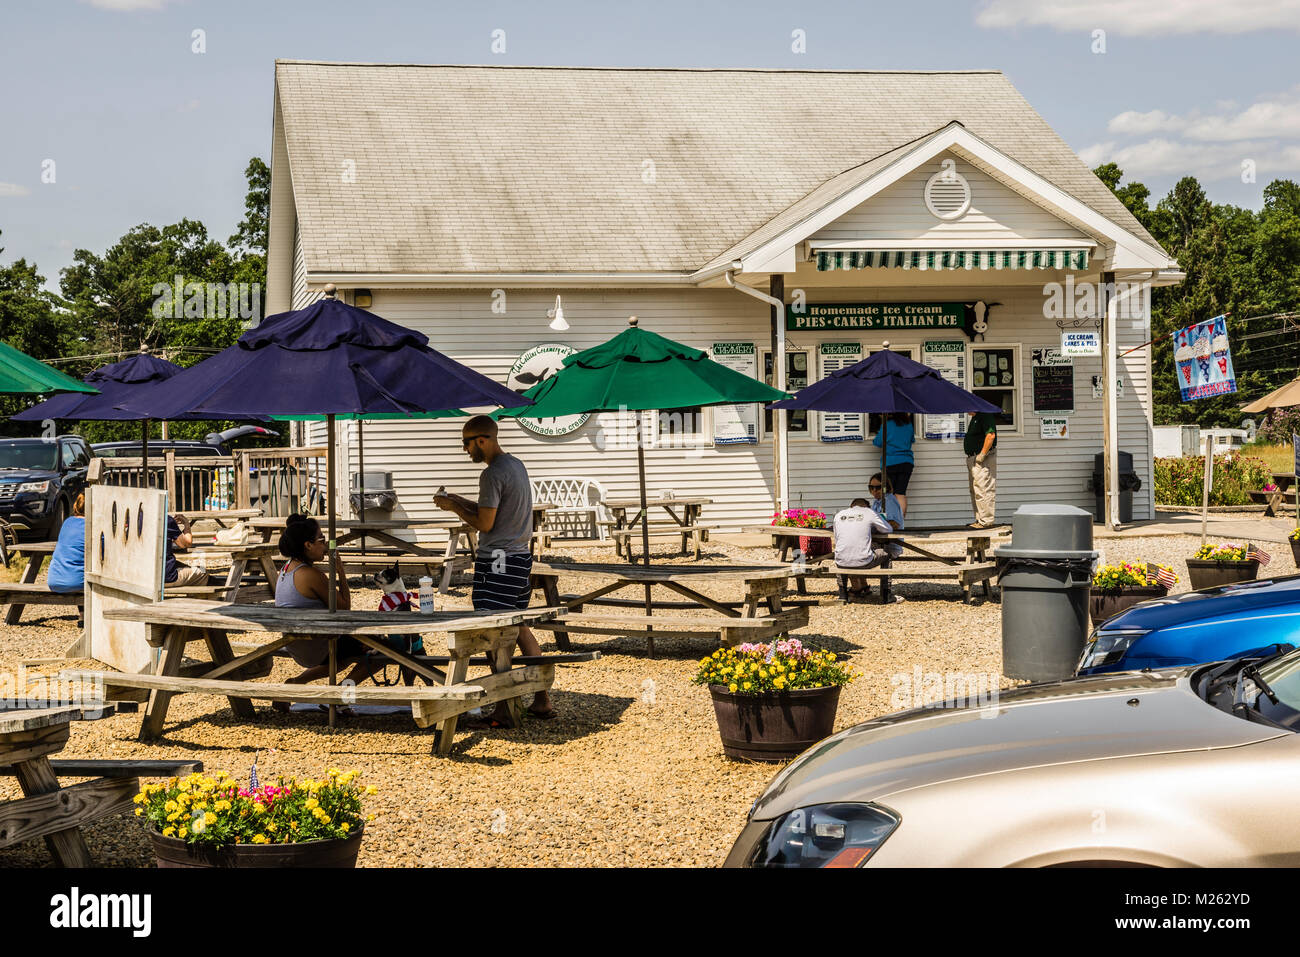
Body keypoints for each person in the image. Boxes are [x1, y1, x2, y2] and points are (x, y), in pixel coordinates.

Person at [435, 415, 554, 725]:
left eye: (467, 443)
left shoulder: (491, 474)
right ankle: (542, 699)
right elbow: (495, 513)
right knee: (519, 627)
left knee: (494, 633)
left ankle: (503, 706)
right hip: (518, 558)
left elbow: (486, 524)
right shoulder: (516, 465)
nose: (464, 449)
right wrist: (459, 500)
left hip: (497, 562)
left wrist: (455, 509)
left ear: (483, 440)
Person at [272, 514, 373, 712]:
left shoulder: (286, 569)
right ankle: (340, 698)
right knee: (380, 650)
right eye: (321, 540)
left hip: (295, 643)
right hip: (318, 646)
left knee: (345, 656)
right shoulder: (311, 574)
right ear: (308, 545)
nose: (326, 546)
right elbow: (344, 608)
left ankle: (295, 684)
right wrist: (340, 570)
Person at [832, 496, 899, 603]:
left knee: (842, 555)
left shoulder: (839, 515)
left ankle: (842, 595)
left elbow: (837, 538)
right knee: (886, 554)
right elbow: (888, 529)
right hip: (864, 561)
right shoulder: (869, 512)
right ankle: (886, 593)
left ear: (851, 506)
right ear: (867, 507)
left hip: (841, 561)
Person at [872, 412, 915, 515]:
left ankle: (890, 522)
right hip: (906, 462)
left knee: (888, 494)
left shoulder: (887, 425)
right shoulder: (909, 425)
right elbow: (912, 440)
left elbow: (877, 442)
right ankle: (901, 524)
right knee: (900, 493)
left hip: (890, 463)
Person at [964, 410, 998, 529]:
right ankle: (979, 520)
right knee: (975, 490)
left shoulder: (985, 415)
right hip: (973, 457)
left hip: (983, 458)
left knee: (984, 488)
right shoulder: (975, 418)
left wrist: (982, 455)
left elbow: (990, 435)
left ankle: (986, 521)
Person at [47, 493, 87, 594]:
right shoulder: (91, 525)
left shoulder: (67, 522)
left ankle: (83, 610)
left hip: (53, 581)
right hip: (76, 583)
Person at [165, 513, 209, 587]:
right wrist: (186, 524)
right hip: (165, 578)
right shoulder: (166, 520)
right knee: (203, 572)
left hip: (142, 579)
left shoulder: (139, 519)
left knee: (183, 566)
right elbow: (186, 544)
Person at [868, 472, 904, 559]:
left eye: (878, 487)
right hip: (879, 543)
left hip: (890, 545)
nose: (874, 490)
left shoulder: (888, 501)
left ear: (885, 487)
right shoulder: (877, 502)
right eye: (871, 487)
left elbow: (895, 524)